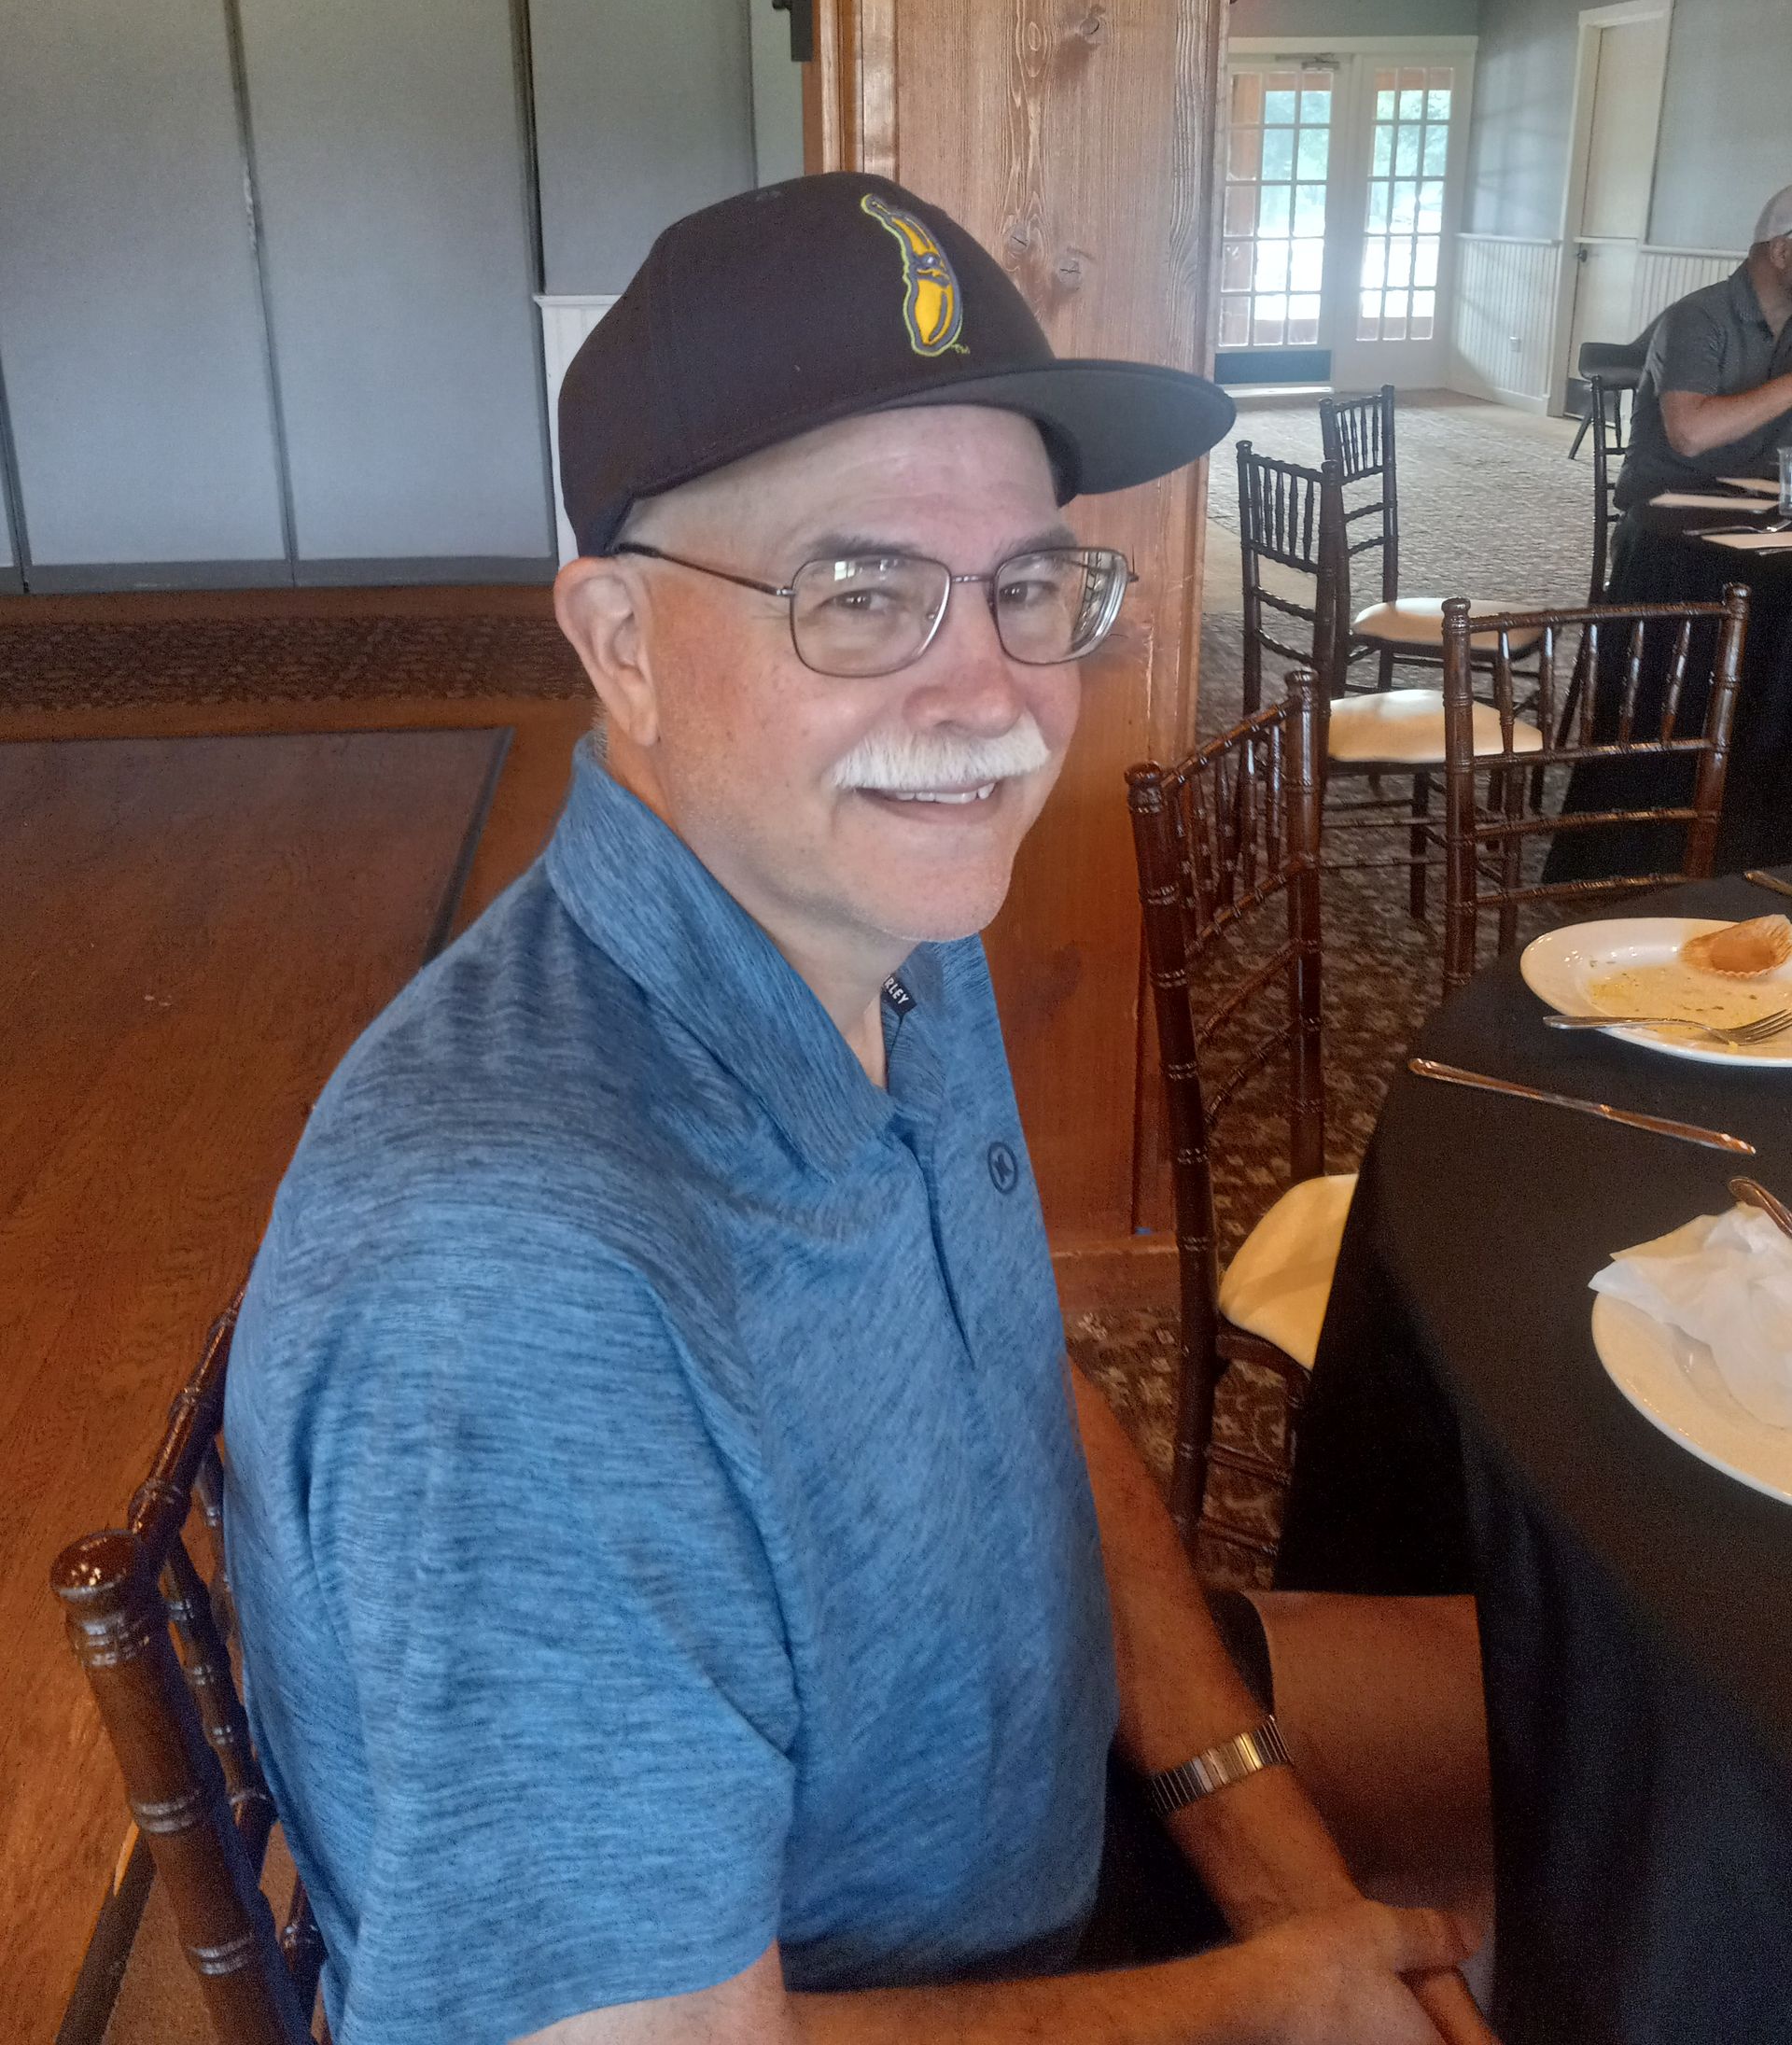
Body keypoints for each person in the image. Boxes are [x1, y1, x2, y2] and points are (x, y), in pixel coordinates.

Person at [224, 174, 1492, 2045]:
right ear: (621, 641)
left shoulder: (887, 928)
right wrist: (1266, 1998)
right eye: (863, 592)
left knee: (1629, 1715)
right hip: (885, 1978)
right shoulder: (518, 1286)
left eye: (1030, 586)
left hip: (1043, 1773)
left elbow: (1017, 1395)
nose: (992, 698)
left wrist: (1252, 1827)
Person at [1615, 184, 1792, 508]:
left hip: (1760, 506)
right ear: (1781, 252)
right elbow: (1691, 435)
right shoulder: (1697, 316)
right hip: (1670, 510)